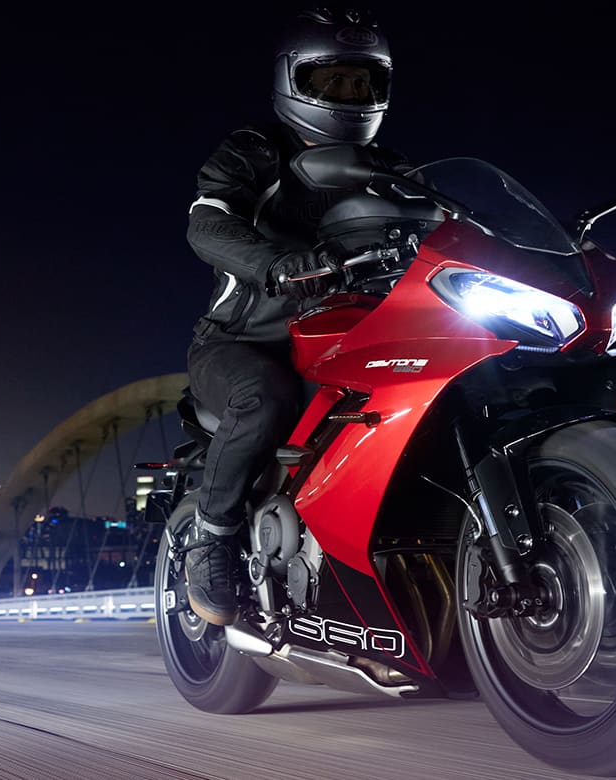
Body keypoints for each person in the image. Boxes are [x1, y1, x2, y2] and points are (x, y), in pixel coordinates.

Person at [181, 7, 417, 626]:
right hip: (243, 344)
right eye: (332, 82)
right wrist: (277, 265)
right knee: (263, 394)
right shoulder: (253, 153)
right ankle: (211, 539)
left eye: (363, 83)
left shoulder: (389, 170)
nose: (349, 96)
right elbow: (207, 223)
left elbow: (446, 222)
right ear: (293, 81)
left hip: (349, 339)